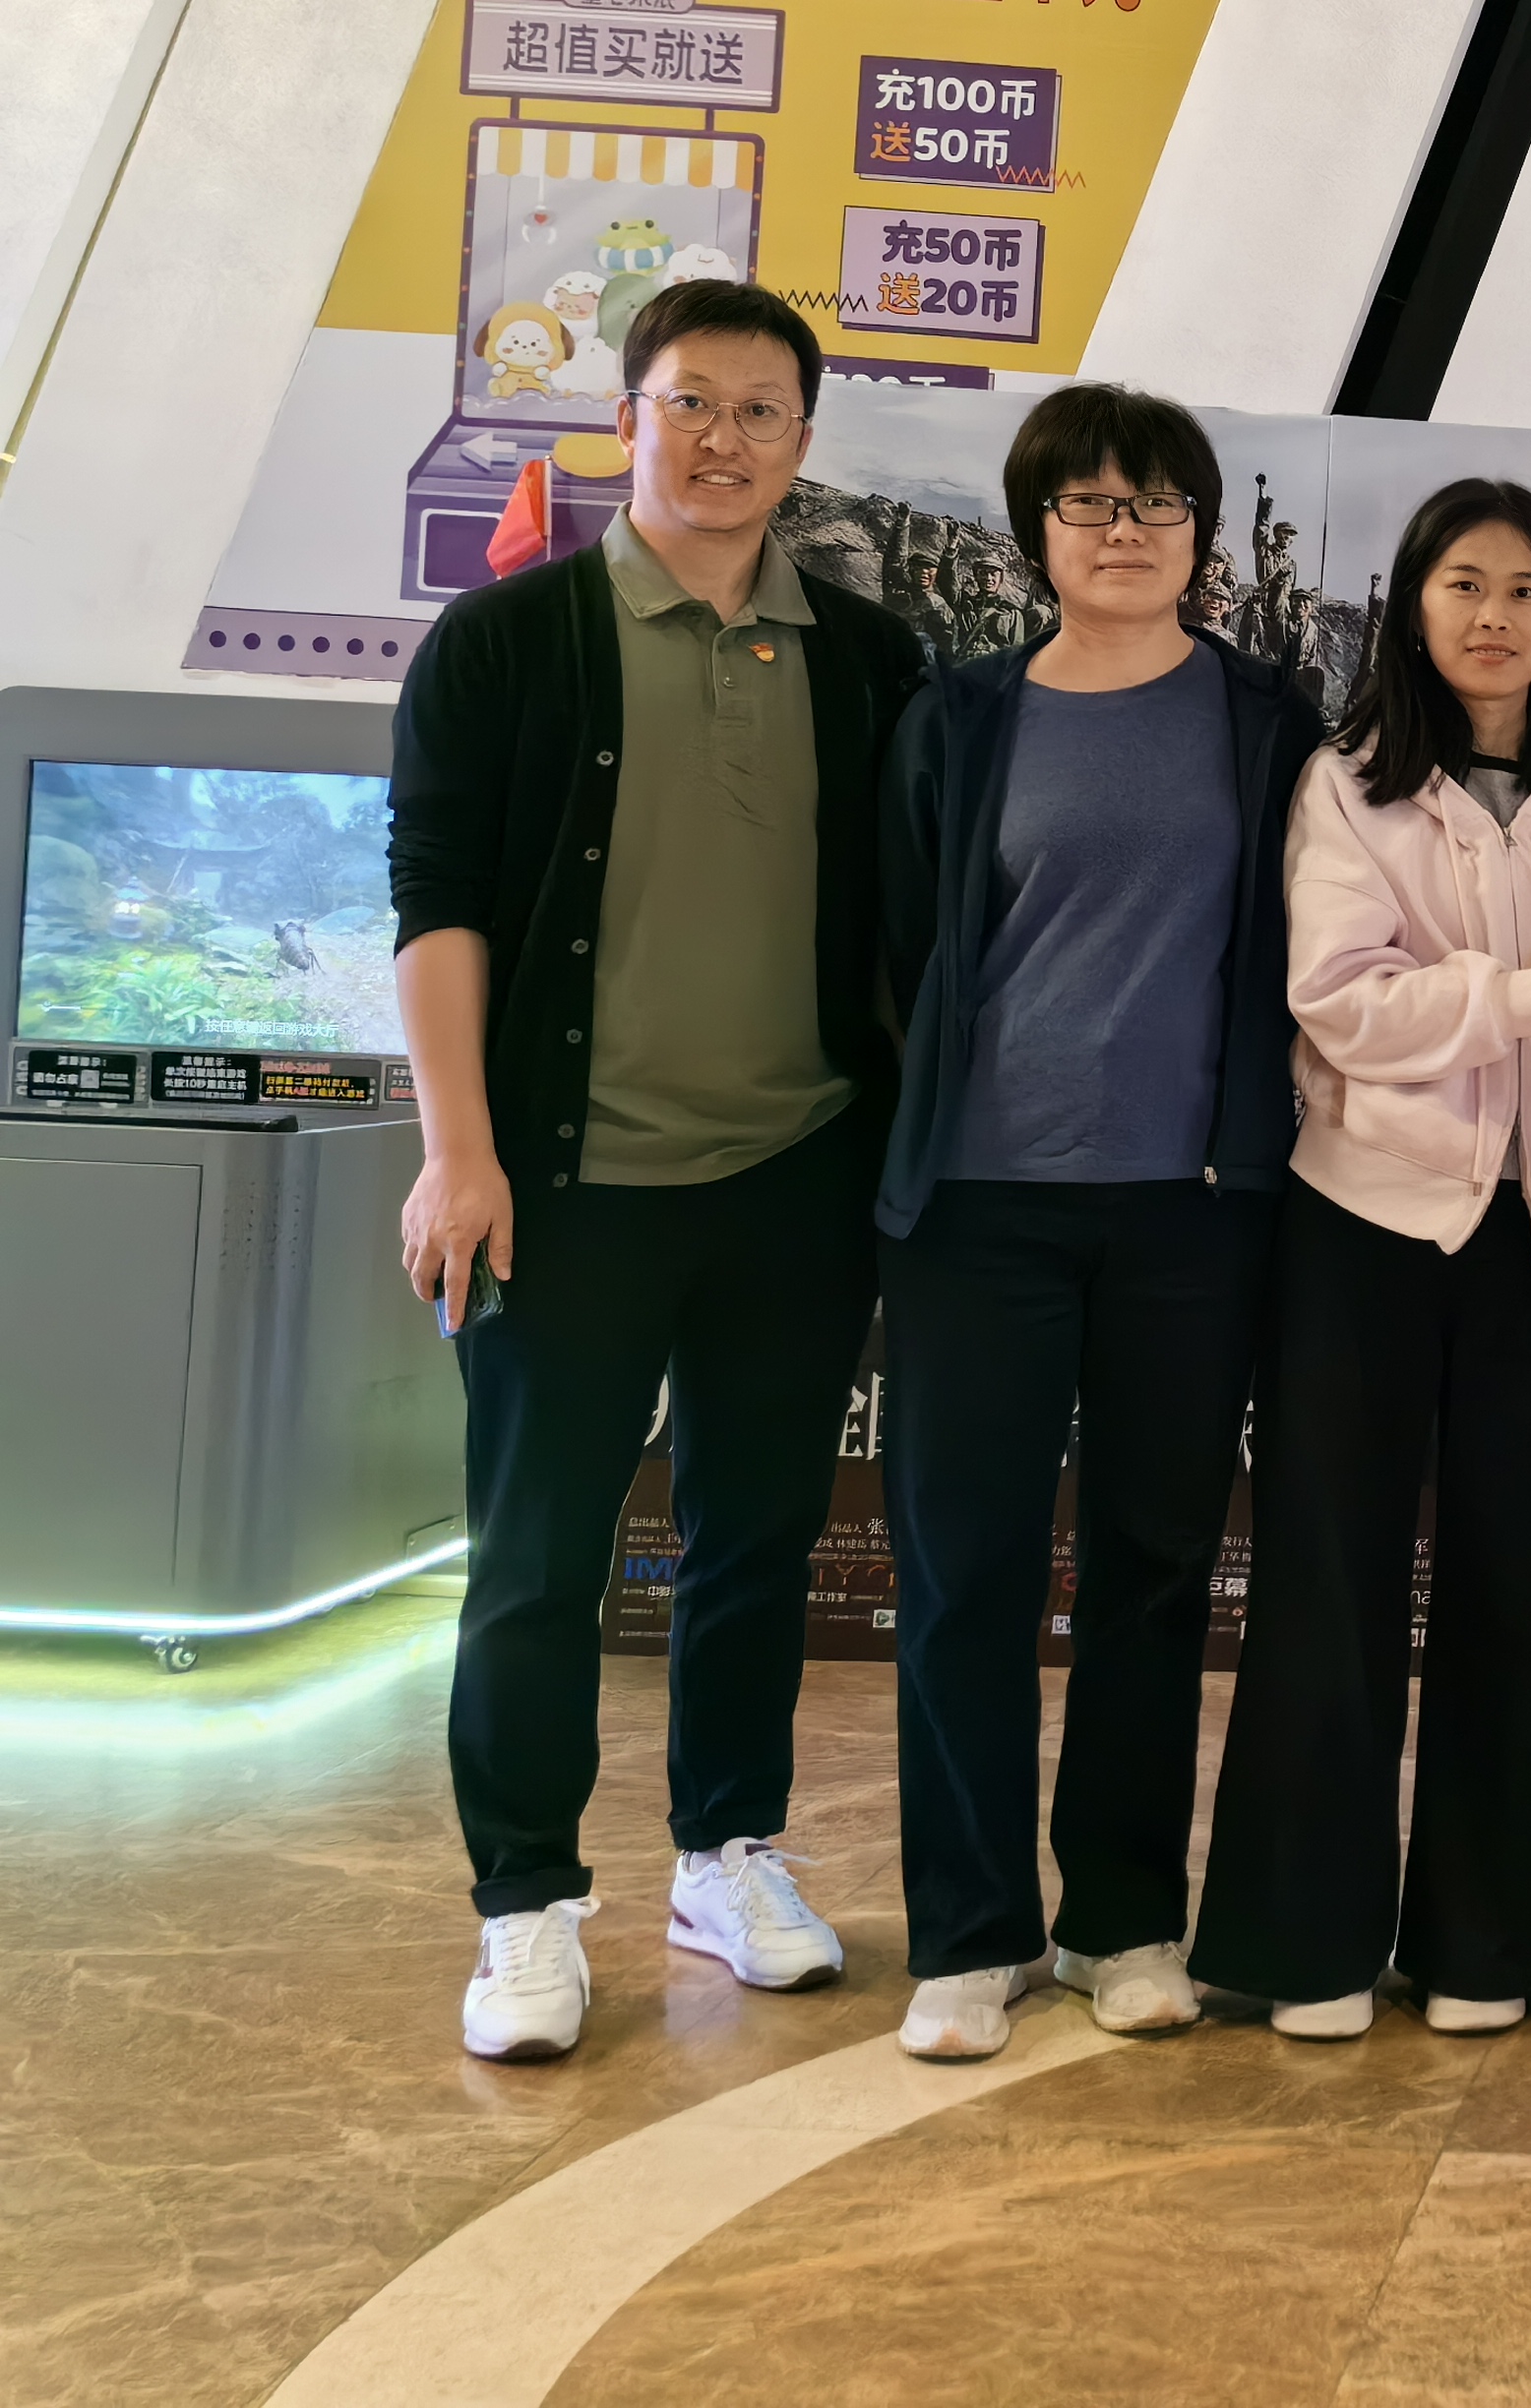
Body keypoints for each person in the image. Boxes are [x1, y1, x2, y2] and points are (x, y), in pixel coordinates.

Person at [389, 279, 932, 2063]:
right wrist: (457, 1153)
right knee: (537, 1558)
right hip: (564, 1184)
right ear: (626, 418)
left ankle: (726, 1851)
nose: (723, 439)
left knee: (755, 1539)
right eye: (690, 402)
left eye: (761, 411)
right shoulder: (508, 642)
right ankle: (526, 1902)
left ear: (801, 442)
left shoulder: (866, 660)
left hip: (795, 1175)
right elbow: (438, 902)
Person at [867, 386, 1312, 2064]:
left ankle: (1122, 1918)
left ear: (1202, 535)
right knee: (963, 1576)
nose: (1124, 532)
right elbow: (898, 946)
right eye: (1090, 504)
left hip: (1190, 1213)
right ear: (1036, 529)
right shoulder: (962, 714)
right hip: (979, 1210)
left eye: (1157, 505)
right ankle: (970, 1930)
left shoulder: (1266, 719)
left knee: (1152, 1573)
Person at [1191, 480, 1531, 2045]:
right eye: (1464, 584)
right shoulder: (1349, 784)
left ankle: (1487, 1941)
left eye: (1526, 589)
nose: (1495, 616)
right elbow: (1340, 1001)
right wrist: (1527, 990)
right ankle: (1306, 1943)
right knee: (1330, 1578)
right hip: (1362, 1223)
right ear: (1412, 606)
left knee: (1519, 1589)